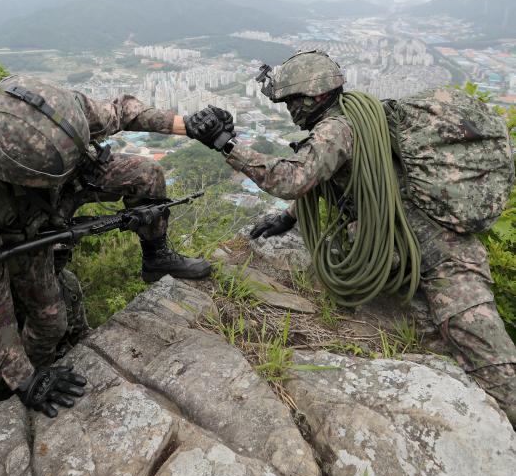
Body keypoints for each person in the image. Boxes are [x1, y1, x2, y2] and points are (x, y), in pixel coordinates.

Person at [184, 52, 516, 424]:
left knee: (486, 349)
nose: (291, 109)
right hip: (404, 232)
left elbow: (295, 179)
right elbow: (332, 177)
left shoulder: (339, 128)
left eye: (293, 100)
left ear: (314, 97)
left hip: (438, 243)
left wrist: (226, 144)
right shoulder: (359, 114)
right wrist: (290, 217)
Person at [0, 75, 211, 416]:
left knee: (146, 175)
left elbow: (123, 111)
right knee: (50, 319)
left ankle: (157, 257)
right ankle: (23, 375)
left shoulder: (60, 114)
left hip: (56, 186)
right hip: (18, 226)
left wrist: (187, 126)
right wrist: (24, 380)